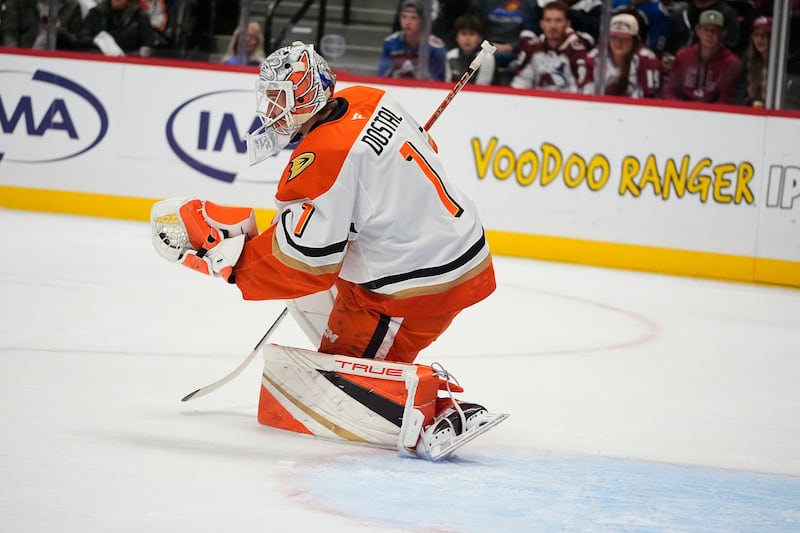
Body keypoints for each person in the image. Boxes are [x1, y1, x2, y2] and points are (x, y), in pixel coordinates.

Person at [150, 42, 500, 457]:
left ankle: (434, 409)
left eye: (279, 96)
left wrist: (228, 263)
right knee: (313, 305)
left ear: (305, 95)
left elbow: (301, 264)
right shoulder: (368, 97)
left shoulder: (323, 157)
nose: (271, 108)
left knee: (336, 393)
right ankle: (401, 382)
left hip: (414, 288)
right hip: (449, 249)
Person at [510, 0, 593, 92]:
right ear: (542, 24)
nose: (553, 26)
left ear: (567, 24)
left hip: (567, 103)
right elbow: (521, 82)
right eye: (548, 20)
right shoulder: (533, 48)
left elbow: (584, 89)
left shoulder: (577, 52)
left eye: (558, 21)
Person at [663, 9, 743, 104]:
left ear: (723, 34)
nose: (709, 34)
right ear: (698, 31)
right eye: (706, 30)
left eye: (714, 31)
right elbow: (671, 89)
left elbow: (726, 99)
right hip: (683, 111)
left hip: (715, 114)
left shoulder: (732, 63)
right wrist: (677, 108)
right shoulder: (683, 56)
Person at [586, 12, 663, 97]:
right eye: (614, 37)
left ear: (634, 40)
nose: (618, 42)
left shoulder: (647, 60)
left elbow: (648, 96)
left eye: (624, 38)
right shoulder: (594, 57)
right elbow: (585, 91)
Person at [663, 0, 741, 72]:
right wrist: (668, 59)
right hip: (679, 75)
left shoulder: (727, 15)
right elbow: (669, 49)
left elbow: (729, 54)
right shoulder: (681, 13)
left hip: (714, 76)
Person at [378, 0, 447, 80]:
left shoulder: (435, 48)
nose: (407, 22)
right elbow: (383, 76)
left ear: (423, 21)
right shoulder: (390, 43)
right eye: (404, 17)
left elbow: (438, 81)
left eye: (414, 18)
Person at [474, 0, 540, 71]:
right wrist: (485, 44)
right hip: (485, 47)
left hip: (515, 51)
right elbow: (474, 26)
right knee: (482, 58)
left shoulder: (530, 3)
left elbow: (531, 34)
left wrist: (511, 46)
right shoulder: (483, 2)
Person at [78, 0, 154, 55]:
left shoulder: (140, 16)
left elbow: (147, 45)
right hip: (98, 58)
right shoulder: (97, 12)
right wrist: (100, 42)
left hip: (128, 60)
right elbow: (82, 38)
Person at [1, 0, 83, 49]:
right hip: (25, 53)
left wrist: (60, 31)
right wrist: (14, 54)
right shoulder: (18, 2)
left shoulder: (73, 6)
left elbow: (76, 42)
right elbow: (9, 31)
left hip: (57, 60)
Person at [445, 13, 495, 85]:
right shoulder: (450, 56)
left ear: (480, 38)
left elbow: (483, 85)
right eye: (463, 34)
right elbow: (446, 82)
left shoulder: (486, 57)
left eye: (471, 34)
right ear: (456, 37)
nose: (467, 39)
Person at [741, 15, 771, 107]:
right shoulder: (747, 62)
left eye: (764, 35)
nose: (759, 39)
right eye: (756, 35)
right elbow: (740, 94)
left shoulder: (785, 66)